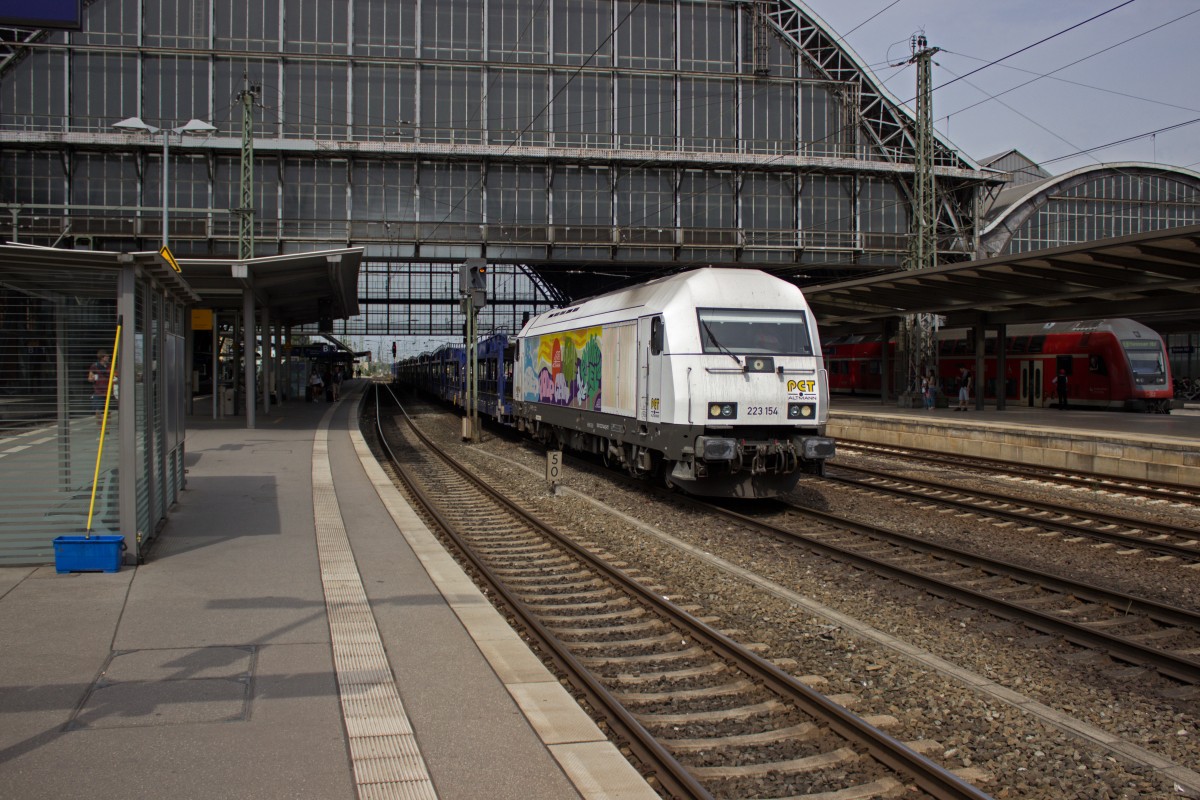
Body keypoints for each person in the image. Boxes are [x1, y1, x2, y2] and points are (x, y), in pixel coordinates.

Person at [88, 350, 112, 420]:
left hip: (108, 392)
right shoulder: (95, 366)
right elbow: (89, 378)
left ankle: (107, 429)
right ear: (102, 357)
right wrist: (92, 378)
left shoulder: (110, 366)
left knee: (108, 412)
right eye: (107, 356)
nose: (108, 357)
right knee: (98, 411)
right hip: (98, 392)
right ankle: (100, 429)